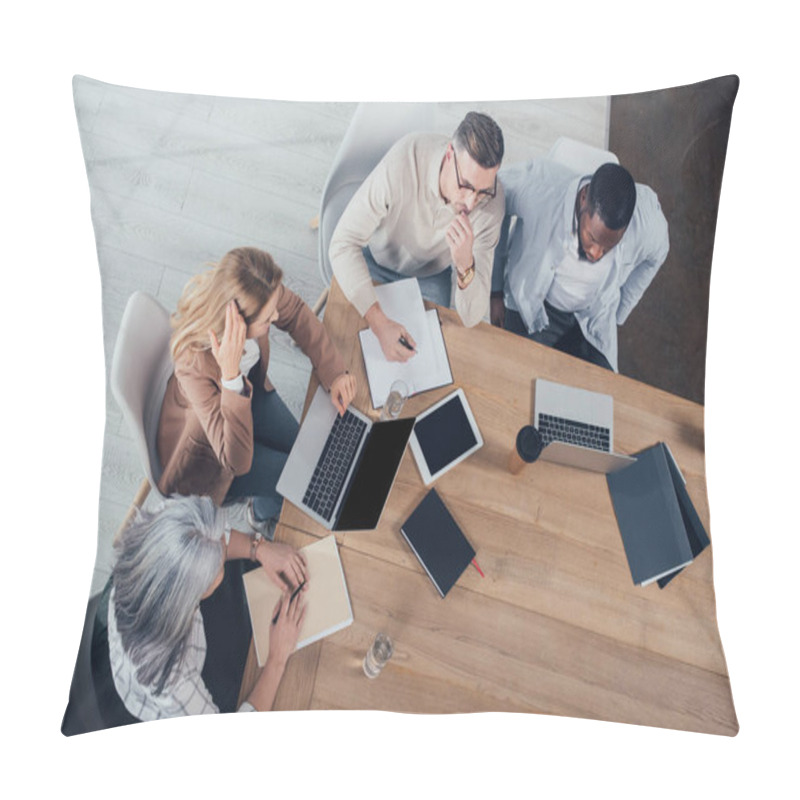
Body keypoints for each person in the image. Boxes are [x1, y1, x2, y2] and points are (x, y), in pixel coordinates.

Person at [158, 247, 357, 530]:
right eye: (267, 320)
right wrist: (230, 376)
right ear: (236, 324)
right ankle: (262, 518)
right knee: (300, 477)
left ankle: (264, 507)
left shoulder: (256, 289)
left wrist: (334, 372)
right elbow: (235, 462)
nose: (276, 315)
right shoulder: (194, 365)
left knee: (310, 453)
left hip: (250, 400)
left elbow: (296, 313)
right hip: (214, 460)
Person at [100, 495, 308, 721]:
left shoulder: (170, 521)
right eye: (218, 567)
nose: (225, 544)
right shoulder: (174, 682)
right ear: (193, 596)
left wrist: (258, 548)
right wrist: (277, 658)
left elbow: (215, 538)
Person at [329, 111, 506, 362]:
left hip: (431, 278)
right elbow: (342, 244)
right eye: (465, 185)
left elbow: (471, 317)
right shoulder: (405, 159)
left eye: (482, 191)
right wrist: (379, 323)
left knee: (424, 361)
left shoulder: (492, 205)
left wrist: (466, 266)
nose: (470, 202)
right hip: (377, 260)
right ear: (448, 155)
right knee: (347, 354)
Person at [490, 160, 669, 372]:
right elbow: (495, 195)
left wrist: (621, 310)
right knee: (511, 377)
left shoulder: (646, 222)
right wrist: (496, 289)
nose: (596, 253)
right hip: (533, 308)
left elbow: (659, 253)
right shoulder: (540, 187)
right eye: (592, 238)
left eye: (608, 247)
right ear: (583, 198)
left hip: (592, 321)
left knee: (600, 399)